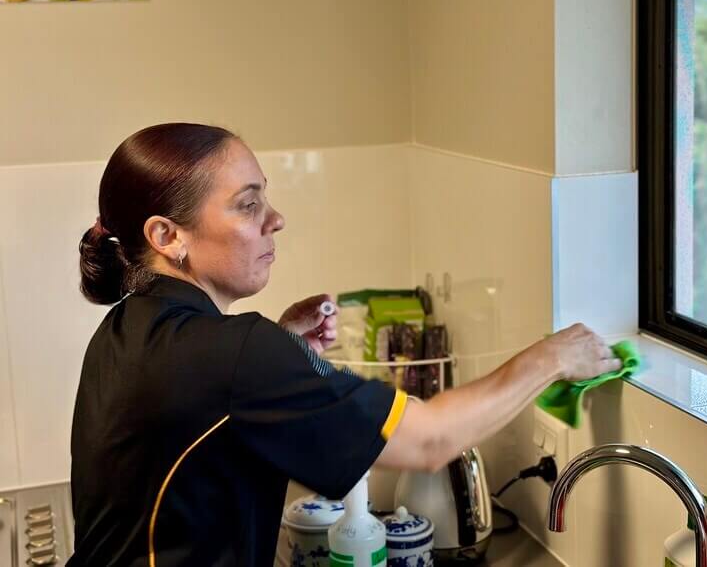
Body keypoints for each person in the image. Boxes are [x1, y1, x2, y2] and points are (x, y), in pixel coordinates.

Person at [68, 123, 621, 566]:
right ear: (167, 236)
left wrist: (284, 347)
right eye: (247, 204)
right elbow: (429, 442)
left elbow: (196, 413)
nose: (276, 220)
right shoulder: (233, 353)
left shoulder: (129, 325)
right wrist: (552, 356)